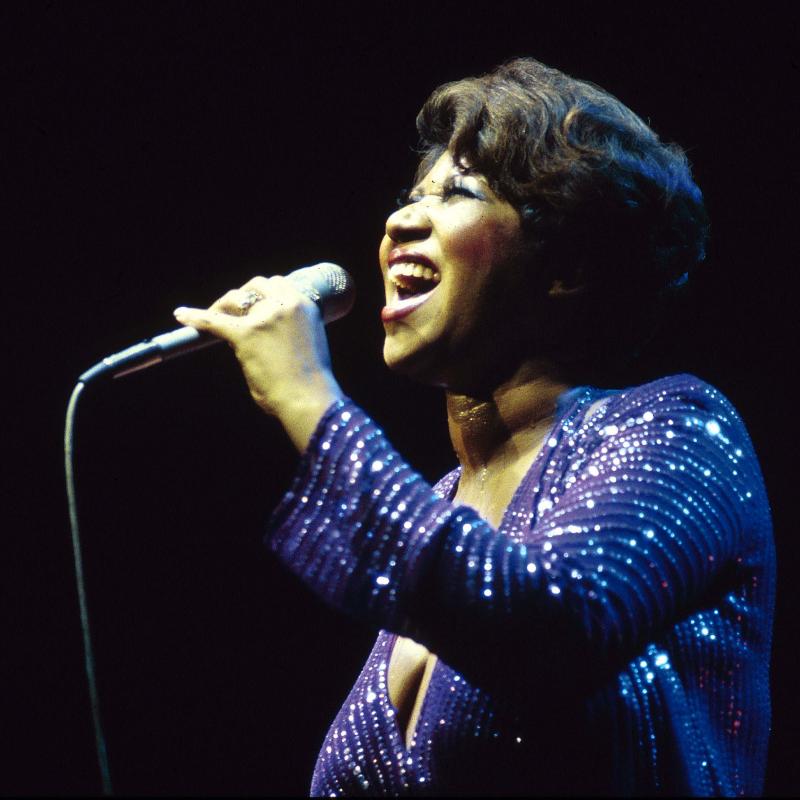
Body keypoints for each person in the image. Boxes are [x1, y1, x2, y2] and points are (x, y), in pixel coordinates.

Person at [173, 58, 774, 796]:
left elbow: (550, 626)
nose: (399, 222)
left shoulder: (677, 430)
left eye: (457, 193)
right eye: (408, 196)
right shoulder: (439, 503)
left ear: (569, 264)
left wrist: (307, 396)